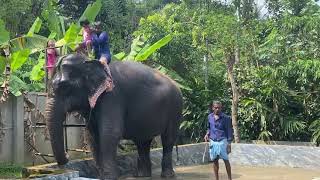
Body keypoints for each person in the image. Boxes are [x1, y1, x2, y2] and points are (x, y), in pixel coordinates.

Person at [204, 101, 233, 180]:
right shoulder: (209, 117)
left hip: (222, 141)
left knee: (226, 160)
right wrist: (207, 134)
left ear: (221, 108)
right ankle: (217, 178)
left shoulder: (226, 118)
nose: (217, 109)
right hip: (213, 141)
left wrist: (229, 144)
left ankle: (230, 178)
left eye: (219, 108)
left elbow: (229, 131)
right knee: (215, 160)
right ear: (212, 108)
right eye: (216, 108)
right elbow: (209, 128)